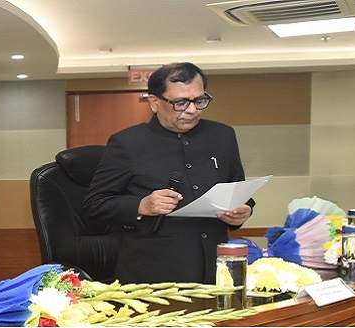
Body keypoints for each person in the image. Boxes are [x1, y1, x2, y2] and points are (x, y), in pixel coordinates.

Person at [83, 62, 253, 284]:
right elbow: (94, 204)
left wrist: (243, 211)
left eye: (199, 100)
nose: (192, 110)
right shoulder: (127, 143)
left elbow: (237, 189)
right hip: (153, 275)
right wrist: (142, 205)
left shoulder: (223, 136)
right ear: (154, 102)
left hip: (215, 272)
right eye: (180, 103)